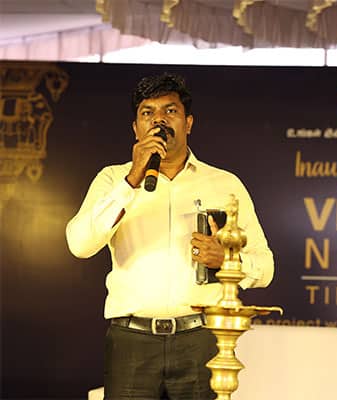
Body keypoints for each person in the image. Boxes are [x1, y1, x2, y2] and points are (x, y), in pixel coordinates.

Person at [66, 73, 274, 400]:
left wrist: (226, 260)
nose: (159, 120)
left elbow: (266, 266)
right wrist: (132, 179)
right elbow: (79, 244)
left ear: (188, 123)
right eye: (147, 113)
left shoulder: (225, 185)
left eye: (170, 111)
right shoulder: (112, 179)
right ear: (136, 128)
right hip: (132, 341)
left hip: (200, 338)